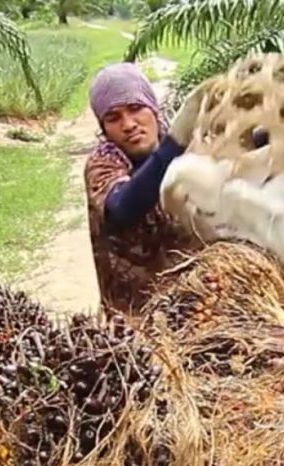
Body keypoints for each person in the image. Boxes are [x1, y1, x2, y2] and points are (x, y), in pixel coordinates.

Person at [84, 63, 206, 315]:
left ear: (153, 108)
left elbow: (236, 155)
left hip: (199, 306)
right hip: (137, 322)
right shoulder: (103, 164)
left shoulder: (190, 147)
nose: (128, 124)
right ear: (103, 128)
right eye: (113, 117)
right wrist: (174, 144)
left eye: (135, 108)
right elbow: (124, 208)